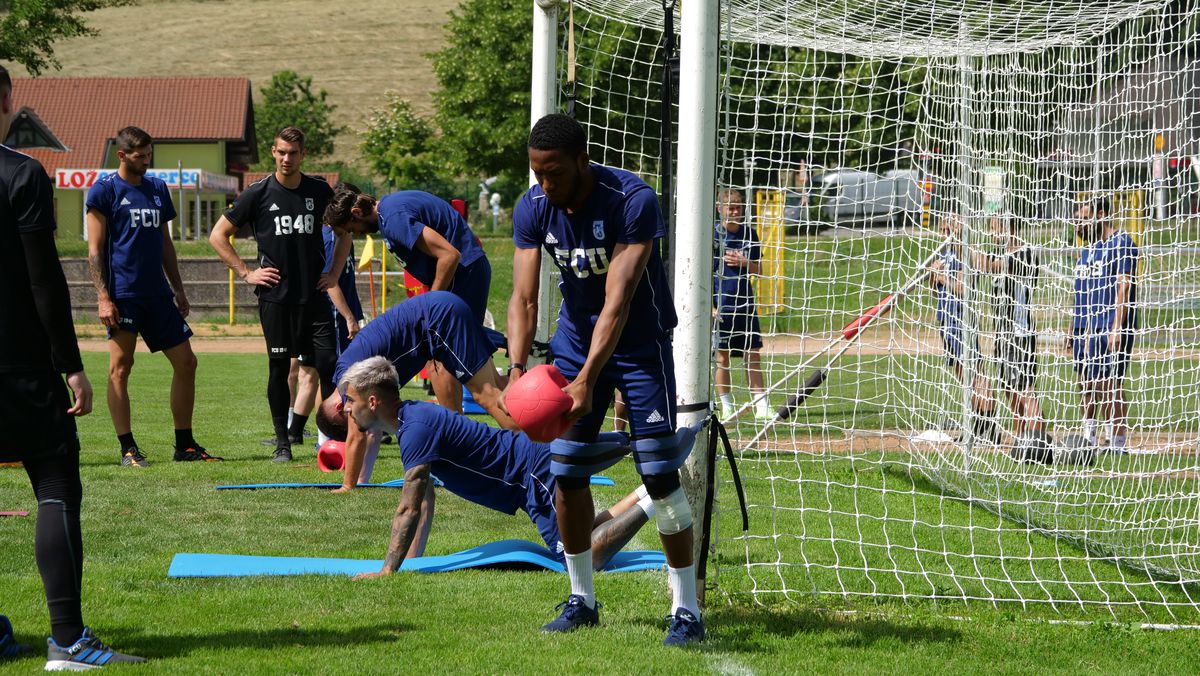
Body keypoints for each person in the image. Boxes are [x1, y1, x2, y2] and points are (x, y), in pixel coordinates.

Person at [507, 113, 704, 646]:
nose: (545, 185)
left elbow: (617, 304)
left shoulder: (632, 200)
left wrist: (588, 381)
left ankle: (686, 610)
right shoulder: (534, 207)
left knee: (660, 474)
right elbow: (524, 297)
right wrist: (518, 370)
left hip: (638, 345)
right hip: (573, 343)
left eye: (554, 173)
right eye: (536, 173)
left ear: (581, 160)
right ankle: (581, 599)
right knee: (567, 474)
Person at [0, 64, 143, 669]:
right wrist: (71, 366)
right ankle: (68, 640)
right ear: (6, 99)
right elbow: (43, 282)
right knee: (55, 483)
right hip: (19, 367)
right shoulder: (22, 172)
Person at [332, 356, 655, 576]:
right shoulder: (415, 418)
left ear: (372, 401)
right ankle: (649, 489)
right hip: (533, 464)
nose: (346, 408)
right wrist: (413, 562)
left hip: (532, 474)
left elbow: (408, 509)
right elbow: (424, 498)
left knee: (582, 561)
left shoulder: (415, 428)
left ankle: (657, 496)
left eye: (350, 400)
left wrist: (387, 569)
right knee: (582, 533)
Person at [209, 126, 349, 462]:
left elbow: (344, 232)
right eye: (281, 152)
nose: (287, 159)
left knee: (329, 364)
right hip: (276, 299)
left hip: (314, 297)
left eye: (293, 153)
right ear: (274, 152)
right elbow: (218, 235)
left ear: (303, 155)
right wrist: (246, 272)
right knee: (278, 366)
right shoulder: (257, 193)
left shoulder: (318, 190)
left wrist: (333, 273)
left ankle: (329, 440)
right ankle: (282, 443)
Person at [85, 126, 218, 467]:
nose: (146, 161)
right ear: (122, 155)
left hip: (158, 295)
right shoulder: (103, 191)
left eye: (149, 154)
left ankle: (184, 445)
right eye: (140, 156)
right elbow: (95, 250)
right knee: (120, 368)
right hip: (123, 295)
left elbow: (165, 245)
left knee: (187, 362)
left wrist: (179, 288)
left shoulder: (158, 188)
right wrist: (103, 297)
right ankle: (127, 448)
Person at [314, 290, 519, 491]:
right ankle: (542, 440)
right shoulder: (351, 376)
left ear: (341, 408)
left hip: (438, 318)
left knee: (486, 395)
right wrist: (362, 481)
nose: (356, 420)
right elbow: (372, 433)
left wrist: (348, 486)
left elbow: (357, 437)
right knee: (502, 388)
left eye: (352, 418)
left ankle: (528, 457)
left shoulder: (346, 382)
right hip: (440, 309)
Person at [325, 184, 490, 413]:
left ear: (356, 213)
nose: (358, 234)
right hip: (463, 275)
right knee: (442, 358)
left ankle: (455, 428)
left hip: (464, 275)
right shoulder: (390, 212)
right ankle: (459, 423)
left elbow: (449, 256)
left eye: (352, 229)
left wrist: (432, 303)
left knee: (441, 359)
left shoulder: (393, 218)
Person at [1068, 197, 1139, 451]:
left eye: (1085, 218)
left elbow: (1124, 285)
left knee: (1109, 384)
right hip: (1085, 327)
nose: (1080, 224)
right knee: (1085, 381)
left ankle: (1117, 442)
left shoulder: (1122, 243)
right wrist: (1072, 329)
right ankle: (1089, 437)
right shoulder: (1086, 250)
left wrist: (1117, 326)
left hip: (1110, 324)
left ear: (1101, 215)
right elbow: (1080, 291)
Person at [927, 213, 1002, 443]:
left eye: (949, 226)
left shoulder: (964, 253)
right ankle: (978, 427)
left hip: (962, 321)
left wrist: (942, 278)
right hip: (946, 320)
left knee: (975, 374)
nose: (944, 231)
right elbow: (936, 291)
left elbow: (964, 289)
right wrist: (933, 276)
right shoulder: (944, 253)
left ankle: (989, 429)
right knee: (963, 375)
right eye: (943, 227)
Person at [976, 215, 1047, 440]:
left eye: (994, 228)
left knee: (1024, 388)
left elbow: (988, 266)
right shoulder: (1001, 253)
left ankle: (1037, 439)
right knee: (1009, 388)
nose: (991, 233)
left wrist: (961, 241)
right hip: (1004, 333)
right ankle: (1020, 437)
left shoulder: (1024, 253)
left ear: (1007, 228)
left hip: (1020, 333)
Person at [713, 187, 770, 421]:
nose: (734, 211)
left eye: (738, 207)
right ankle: (726, 405)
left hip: (745, 304)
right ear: (720, 209)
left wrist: (745, 261)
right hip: (721, 306)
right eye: (730, 207)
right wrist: (711, 308)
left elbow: (761, 270)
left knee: (753, 353)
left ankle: (762, 406)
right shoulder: (713, 236)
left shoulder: (750, 234)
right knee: (722, 357)